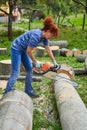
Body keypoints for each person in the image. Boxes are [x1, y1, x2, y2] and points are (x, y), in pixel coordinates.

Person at [4, 16, 60, 98]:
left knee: (29, 69)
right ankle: (7, 93)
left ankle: (28, 91)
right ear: (48, 31)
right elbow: (29, 51)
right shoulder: (36, 36)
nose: (51, 38)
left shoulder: (44, 37)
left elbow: (48, 49)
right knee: (15, 73)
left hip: (23, 50)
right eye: (52, 35)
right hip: (16, 49)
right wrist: (34, 61)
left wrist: (54, 61)